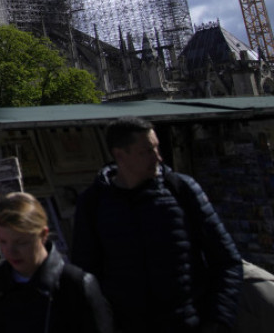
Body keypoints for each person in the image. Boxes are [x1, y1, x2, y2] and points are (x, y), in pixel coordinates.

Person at [72, 116, 242, 333]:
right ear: (120, 155)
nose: (158, 158)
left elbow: (228, 261)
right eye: (147, 151)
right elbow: (84, 278)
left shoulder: (182, 190)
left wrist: (218, 322)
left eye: (156, 148)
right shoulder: (93, 203)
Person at [0, 192, 112, 332]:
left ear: (43, 235)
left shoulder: (75, 285)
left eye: (21, 242)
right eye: (2, 242)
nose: (11, 251)